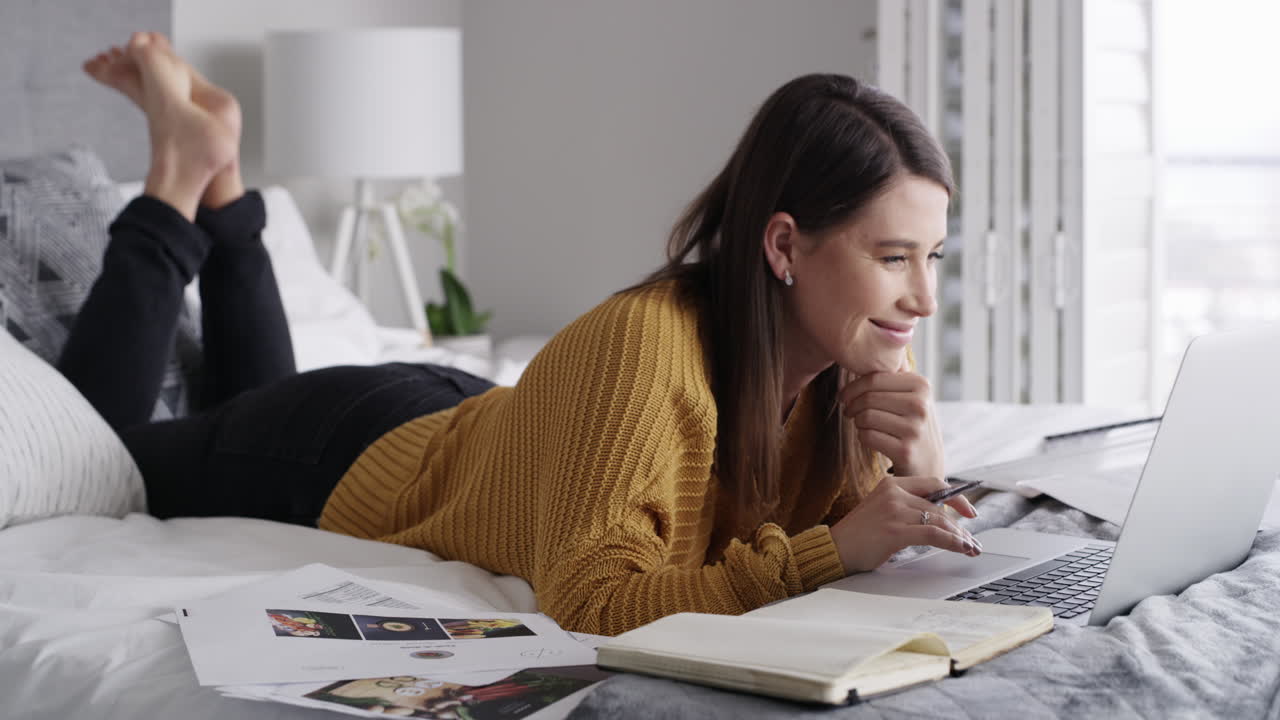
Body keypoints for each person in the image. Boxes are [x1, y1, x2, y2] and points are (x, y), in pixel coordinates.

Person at [65, 32, 981, 637]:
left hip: (473, 423)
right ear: (785, 244)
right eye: (894, 258)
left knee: (231, 402)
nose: (922, 299)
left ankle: (221, 177)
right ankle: (177, 180)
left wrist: (916, 465)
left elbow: (825, 532)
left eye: (933, 257)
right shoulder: (644, 347)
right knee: (99, 454)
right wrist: (835, 549)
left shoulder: (852, 370)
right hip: (346, 450)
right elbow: (594, 601)